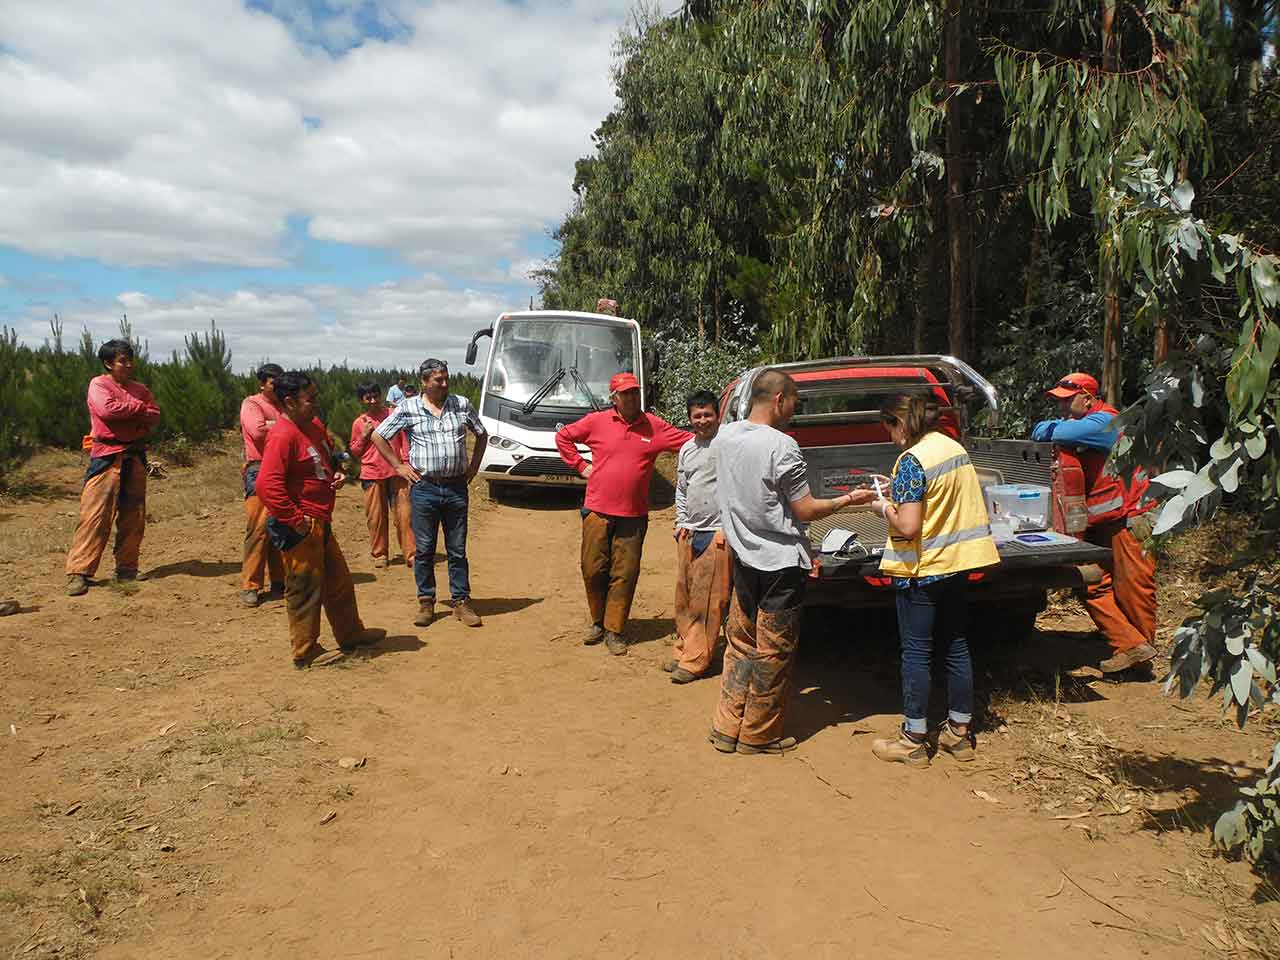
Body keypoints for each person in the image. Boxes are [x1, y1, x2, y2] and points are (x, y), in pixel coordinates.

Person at [709, 370, 873, 755]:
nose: (794, 411)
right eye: (794, 403)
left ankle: (726, 726)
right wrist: (849, 499)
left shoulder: (725, 436)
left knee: (740, 642)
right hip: (780, 565)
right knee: (773, 649)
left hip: (743, 557)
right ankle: (759, 734)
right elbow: (805, 509)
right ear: (779, 399)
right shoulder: (783, 446)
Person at [868, 393, 1000, 767]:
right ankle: (959, 734)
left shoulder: (912, 460)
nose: (891, 438)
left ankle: (912, 741)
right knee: (956, 646)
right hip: (957, 565)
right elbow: (939, 497)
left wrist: (883, 506)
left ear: (901, 423)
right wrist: (897, 488)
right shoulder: (953, 449)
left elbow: (908, 526)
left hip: (922, 571)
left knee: (916, 652)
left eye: (890, 429)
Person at [555, 372, 692, 656]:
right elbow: (563, 436)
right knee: (593, 569)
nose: (631, 397)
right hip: (596, 511)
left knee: (625, 573)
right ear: (614, 398)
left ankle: (614, 629)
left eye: (634, 392)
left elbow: (690, 441)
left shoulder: (653, 426)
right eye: (625, 393)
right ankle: (597, 621)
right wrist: (581, 466)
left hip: (633, 515)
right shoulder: (596, 422)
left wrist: (725, 435)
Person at [256, 371, 384, 668]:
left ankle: (351, 634)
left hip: (320, 520)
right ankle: (305, 651)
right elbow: (267, 485)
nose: (316, 403)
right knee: (305, 587)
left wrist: (336, 471)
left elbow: (327, 458)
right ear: (289, 402)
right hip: (302, 525)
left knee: (338, 582)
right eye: (309, 399)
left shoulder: (313, 426)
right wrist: (295, 520)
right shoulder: (283, 435)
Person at [1032, 372, 1157, 673]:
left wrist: (1055, 427)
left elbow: (1054, 432)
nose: (1061, 407)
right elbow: (1039, 430)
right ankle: (1130, 644)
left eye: (1067, 400)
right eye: (1058, 402)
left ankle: (1140, 656)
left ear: (1088, 398)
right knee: (1088, 579)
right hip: (1102, 521)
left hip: (1129, 517)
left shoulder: (1106, 423)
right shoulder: (1083, 424)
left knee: (1134, 588)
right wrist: (1055, 426)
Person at [371, 358, 486, 629]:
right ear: (424, 382)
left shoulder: (461, 404)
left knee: (457, 549)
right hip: (425, 488)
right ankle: (426, 601)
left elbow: (481, 434)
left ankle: (461, 601)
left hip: (456, 487)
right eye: (438, 380)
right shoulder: (408, 408)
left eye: (446, 378)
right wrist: (398, 466)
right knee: (424, 549)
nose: (444, 384)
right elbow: (378, 436)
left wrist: (473, 468)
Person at [65, 339, 162, 596]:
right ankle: (79, 572)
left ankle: (127, 569)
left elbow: (155, 415)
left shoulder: (140, 388)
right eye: (122, 361)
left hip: (135, 455)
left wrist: (132, 412)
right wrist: (138, 409)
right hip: (107, 455)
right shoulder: (99, 384)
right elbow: (107, 411)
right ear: (109, 363)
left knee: (134, 515)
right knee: (95, 515)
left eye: (130, 360)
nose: (128, 365)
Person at [664, 389, 730, 684]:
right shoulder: (687, 449)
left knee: (709, 601)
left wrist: (727, 528)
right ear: (689, 418)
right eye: (697, 415)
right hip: (689, 531)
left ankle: (696, 661)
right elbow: (682, 488)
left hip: (717, 533)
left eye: (708, 415)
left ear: (718, 415)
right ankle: (683, 650)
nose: (702, 420)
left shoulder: (728, 445)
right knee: (685, 598)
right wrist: (681, 522)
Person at [349, 381, 415, 569]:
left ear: (381, 395)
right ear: (361, 400)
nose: (373, 401)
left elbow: (404, 440)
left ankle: (411, 554)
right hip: (372, 474)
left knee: (405, 515)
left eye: (375, 396)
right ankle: (380, 554)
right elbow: (355, 451)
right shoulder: (359, 423)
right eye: (367, 398)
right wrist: (364, 435)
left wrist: (406, 463)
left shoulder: (393, 415)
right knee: (376, 517)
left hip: (397, 472)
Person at [238, 363, 285, 608]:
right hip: (259, 469)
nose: (277, 386)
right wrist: (284, 426)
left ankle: (280, 581)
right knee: (258, 528)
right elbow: (257, 432)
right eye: (272, 382)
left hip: (283, 470)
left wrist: (272, 424)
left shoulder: (284, 405)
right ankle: (251, 585)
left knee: (281, 525)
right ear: (262, 384)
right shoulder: (252, 404)